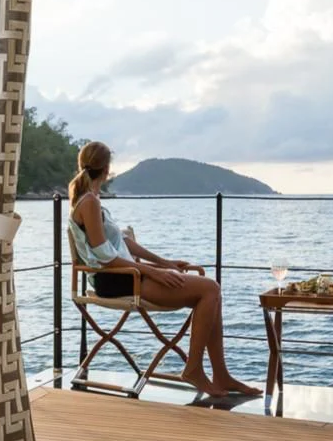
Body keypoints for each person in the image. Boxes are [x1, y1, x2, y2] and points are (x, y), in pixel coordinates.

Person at [66, 141, 261, 398]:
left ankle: (220, 374)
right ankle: (194, 369)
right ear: (106, 169)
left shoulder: (92, 200)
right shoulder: (88, 202)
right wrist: (151, 272)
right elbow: (104, 256)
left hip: (125, 274)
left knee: (211, 293)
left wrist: (164, 263)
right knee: (210, 289)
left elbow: (123, 243)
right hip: (116, 280)